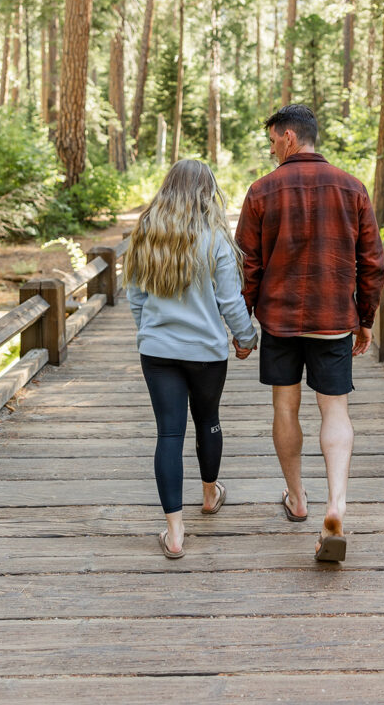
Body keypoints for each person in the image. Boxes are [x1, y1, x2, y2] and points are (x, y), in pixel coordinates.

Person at [235, 104, 384, 562]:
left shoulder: (261, 191)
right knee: (335, 412)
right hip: (332, 319)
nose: (272, 149)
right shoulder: (353, 188)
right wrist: (364, 318)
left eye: (273, 140)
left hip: (280, 320)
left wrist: (244, 324)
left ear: (289, 138)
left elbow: (248, 265)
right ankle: (335, 507)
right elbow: (372, 264)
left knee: (286, 405)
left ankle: (297, 500)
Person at [124, 159, 258, 559]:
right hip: (206, 352)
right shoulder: (215, 237)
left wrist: (148, 331)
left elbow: (135, 298)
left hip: (158, 351)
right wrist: (246, 338)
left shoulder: (146, 233)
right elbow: (230, 300)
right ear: (206, 191)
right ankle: (209, 495)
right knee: (208, 420)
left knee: (168, 434)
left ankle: (175, 532)